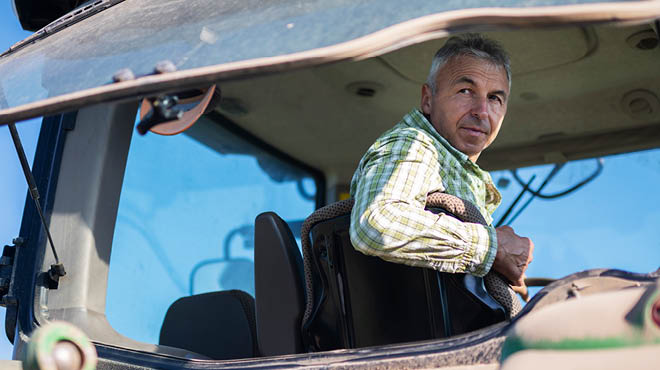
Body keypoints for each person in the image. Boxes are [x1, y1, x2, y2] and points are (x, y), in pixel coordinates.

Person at [349, 33, 533, 293]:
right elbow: (377, 223)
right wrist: (493, 248)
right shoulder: (413, 144)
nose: (481, 110)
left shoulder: (457, 170)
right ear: (428, 99)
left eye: (494, 98)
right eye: (465, 91)